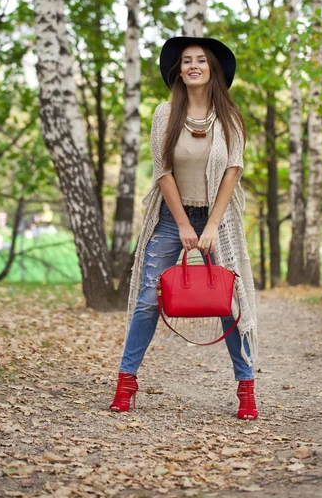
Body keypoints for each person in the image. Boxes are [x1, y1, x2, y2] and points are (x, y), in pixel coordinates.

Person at [110, 36, 258, 419]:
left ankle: (246, 389)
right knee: (146, 300)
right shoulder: (165, 113)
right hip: (170, 217)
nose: (193, 65)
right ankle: (126, 383)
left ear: (213, 69)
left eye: (201, 60)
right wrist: (182, 225)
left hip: (217, 219)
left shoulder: (231, 117)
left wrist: (209, 225)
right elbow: (163, 172)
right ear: (179, 70)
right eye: (186, 60)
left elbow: (231, 174)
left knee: (231, 302)